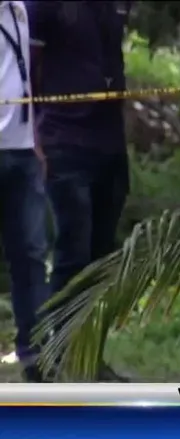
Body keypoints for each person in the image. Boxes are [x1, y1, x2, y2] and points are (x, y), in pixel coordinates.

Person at [26, 0, 130, 381]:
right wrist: (35, 140)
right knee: (73, 252)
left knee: (102, 259)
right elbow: (26, 71)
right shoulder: (44, 6)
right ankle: (56, 356)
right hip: (63, 140)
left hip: (110, 145)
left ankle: (89, 358)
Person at [0, 0, 50, 382]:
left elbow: (26, 75)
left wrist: (36, 141)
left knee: (31, 255)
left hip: (22, 151)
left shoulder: (21, 7)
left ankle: (34, 353)